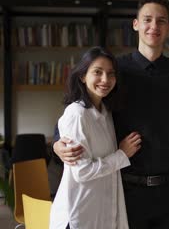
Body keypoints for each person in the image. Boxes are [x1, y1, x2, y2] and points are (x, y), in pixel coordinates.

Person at [53, 0, 169, 229]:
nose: (154, 26)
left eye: (161, 21)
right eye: (147, 19)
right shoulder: (115, 71)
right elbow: (82, 110)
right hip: (126, 188)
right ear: (136, 24)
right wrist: (58, 142)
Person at [50, 47, 141, 229]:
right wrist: (122, 155)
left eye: (110, 74)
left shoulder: (105, 111)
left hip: (99, 211)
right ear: (83, 76)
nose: (105, 80)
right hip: (79, 215)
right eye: (97, 72)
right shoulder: (77, 114)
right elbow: (82, 171)